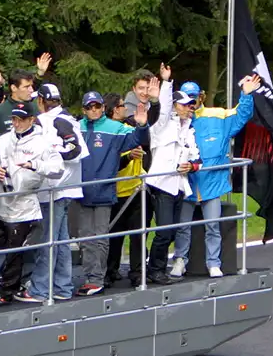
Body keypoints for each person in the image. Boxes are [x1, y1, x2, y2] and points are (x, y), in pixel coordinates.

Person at [169, 75, 258, 278]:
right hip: (186, 183)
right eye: (187, 98)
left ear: (201, 96)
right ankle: (180, 260)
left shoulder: (217, 115)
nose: (191, 102)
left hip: (212, 182)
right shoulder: (176, 121)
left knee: (213, 226)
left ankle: (213, 263)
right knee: (182, 228)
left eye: (194, 97)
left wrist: (246, 94)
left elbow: (241, 115)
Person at [0, 104, 63, 305]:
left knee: (14, 251)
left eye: (21, 119)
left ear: (31, 120)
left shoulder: (42, 143)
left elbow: (58, 168)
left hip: (24, 206)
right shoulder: (3, 140)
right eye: (15, 119)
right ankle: (10, 274)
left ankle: (6, 292)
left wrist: (34, 165)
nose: (17, 123)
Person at [78, 92, 150, 296]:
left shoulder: (115, 128)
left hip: (104, 191)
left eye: (97, 106)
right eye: (90, 107)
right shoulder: (77, 127)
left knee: (100, 237)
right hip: (82, 193)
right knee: (84, 238)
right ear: (84, 109)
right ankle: (89, 275)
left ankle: (97, 279)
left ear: (103, 108)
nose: (94, 110)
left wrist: (142, 125)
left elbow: (138, 139)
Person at [26, 84, 89, 302]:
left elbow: (75, 151)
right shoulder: (69, 118)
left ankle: (39, 289)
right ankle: (63, 286)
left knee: (48, 241)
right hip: (67, 188)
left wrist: (52, 157)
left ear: (42, 101)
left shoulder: (49, 121)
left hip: (53, 188)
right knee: (60, 241)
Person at [145, 66, 202, 284]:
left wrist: (192, 166)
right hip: (161, 184)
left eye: (192, 104)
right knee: (164, 231)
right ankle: (154, 270)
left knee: (172, 230)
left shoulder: (188, 128)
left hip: (179, 185)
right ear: (176, 106)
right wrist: (166, 82)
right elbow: (163, 107)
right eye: (186, 104)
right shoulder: (162, 125)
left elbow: (197, 157)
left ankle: (156, 268)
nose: (190, 108)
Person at [102, 93, 150, 288]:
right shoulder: (106, 133)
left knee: (139, 234)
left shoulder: (130, 129)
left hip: (137, 189)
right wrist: (128, 157)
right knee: (114, 236)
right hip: (116, 191)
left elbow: (145, 136)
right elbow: (108, 165)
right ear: (115, 109)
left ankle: (137, 273)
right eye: (122, 106)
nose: (125, 109)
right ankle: (110, 271)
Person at [0, 53, 52, 138]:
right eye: (26, 87)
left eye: (31, 86)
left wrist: (40, 73)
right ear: (13, 88)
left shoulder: (38, 108)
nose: (31, 90)